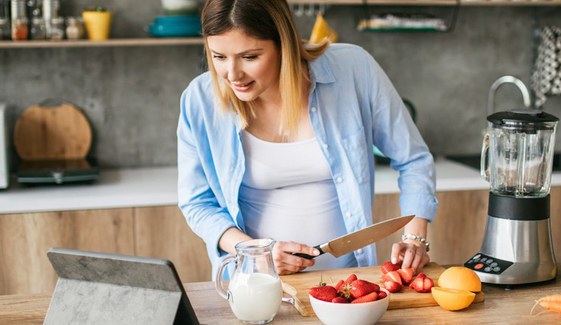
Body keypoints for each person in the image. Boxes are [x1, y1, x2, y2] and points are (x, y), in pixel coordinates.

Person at [177, 0, 438, 276]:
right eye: (218, 57)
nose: (232, 74)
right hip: (255, 282)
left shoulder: (353, 69)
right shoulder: (200, 99)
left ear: (284, 43)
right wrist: (256, 252)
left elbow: (413, 159)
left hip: (347, 282)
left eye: (250, 57)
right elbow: (197, 203)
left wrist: (415, 237)